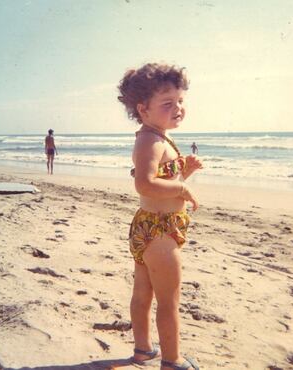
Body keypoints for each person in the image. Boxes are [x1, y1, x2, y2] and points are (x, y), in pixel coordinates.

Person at [118, 63, 202, 370]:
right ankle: (172, 360)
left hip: (148, 227)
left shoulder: (157, 137)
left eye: (180, 101)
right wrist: (182, 187)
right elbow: (144, 184)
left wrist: (185, 173)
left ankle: (143, 350)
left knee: (143, 292)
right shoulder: (150, 141)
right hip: (159, 233)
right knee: (169, 299)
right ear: (143, 109)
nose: (178, 108)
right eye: (168, 104)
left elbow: (159, 185)